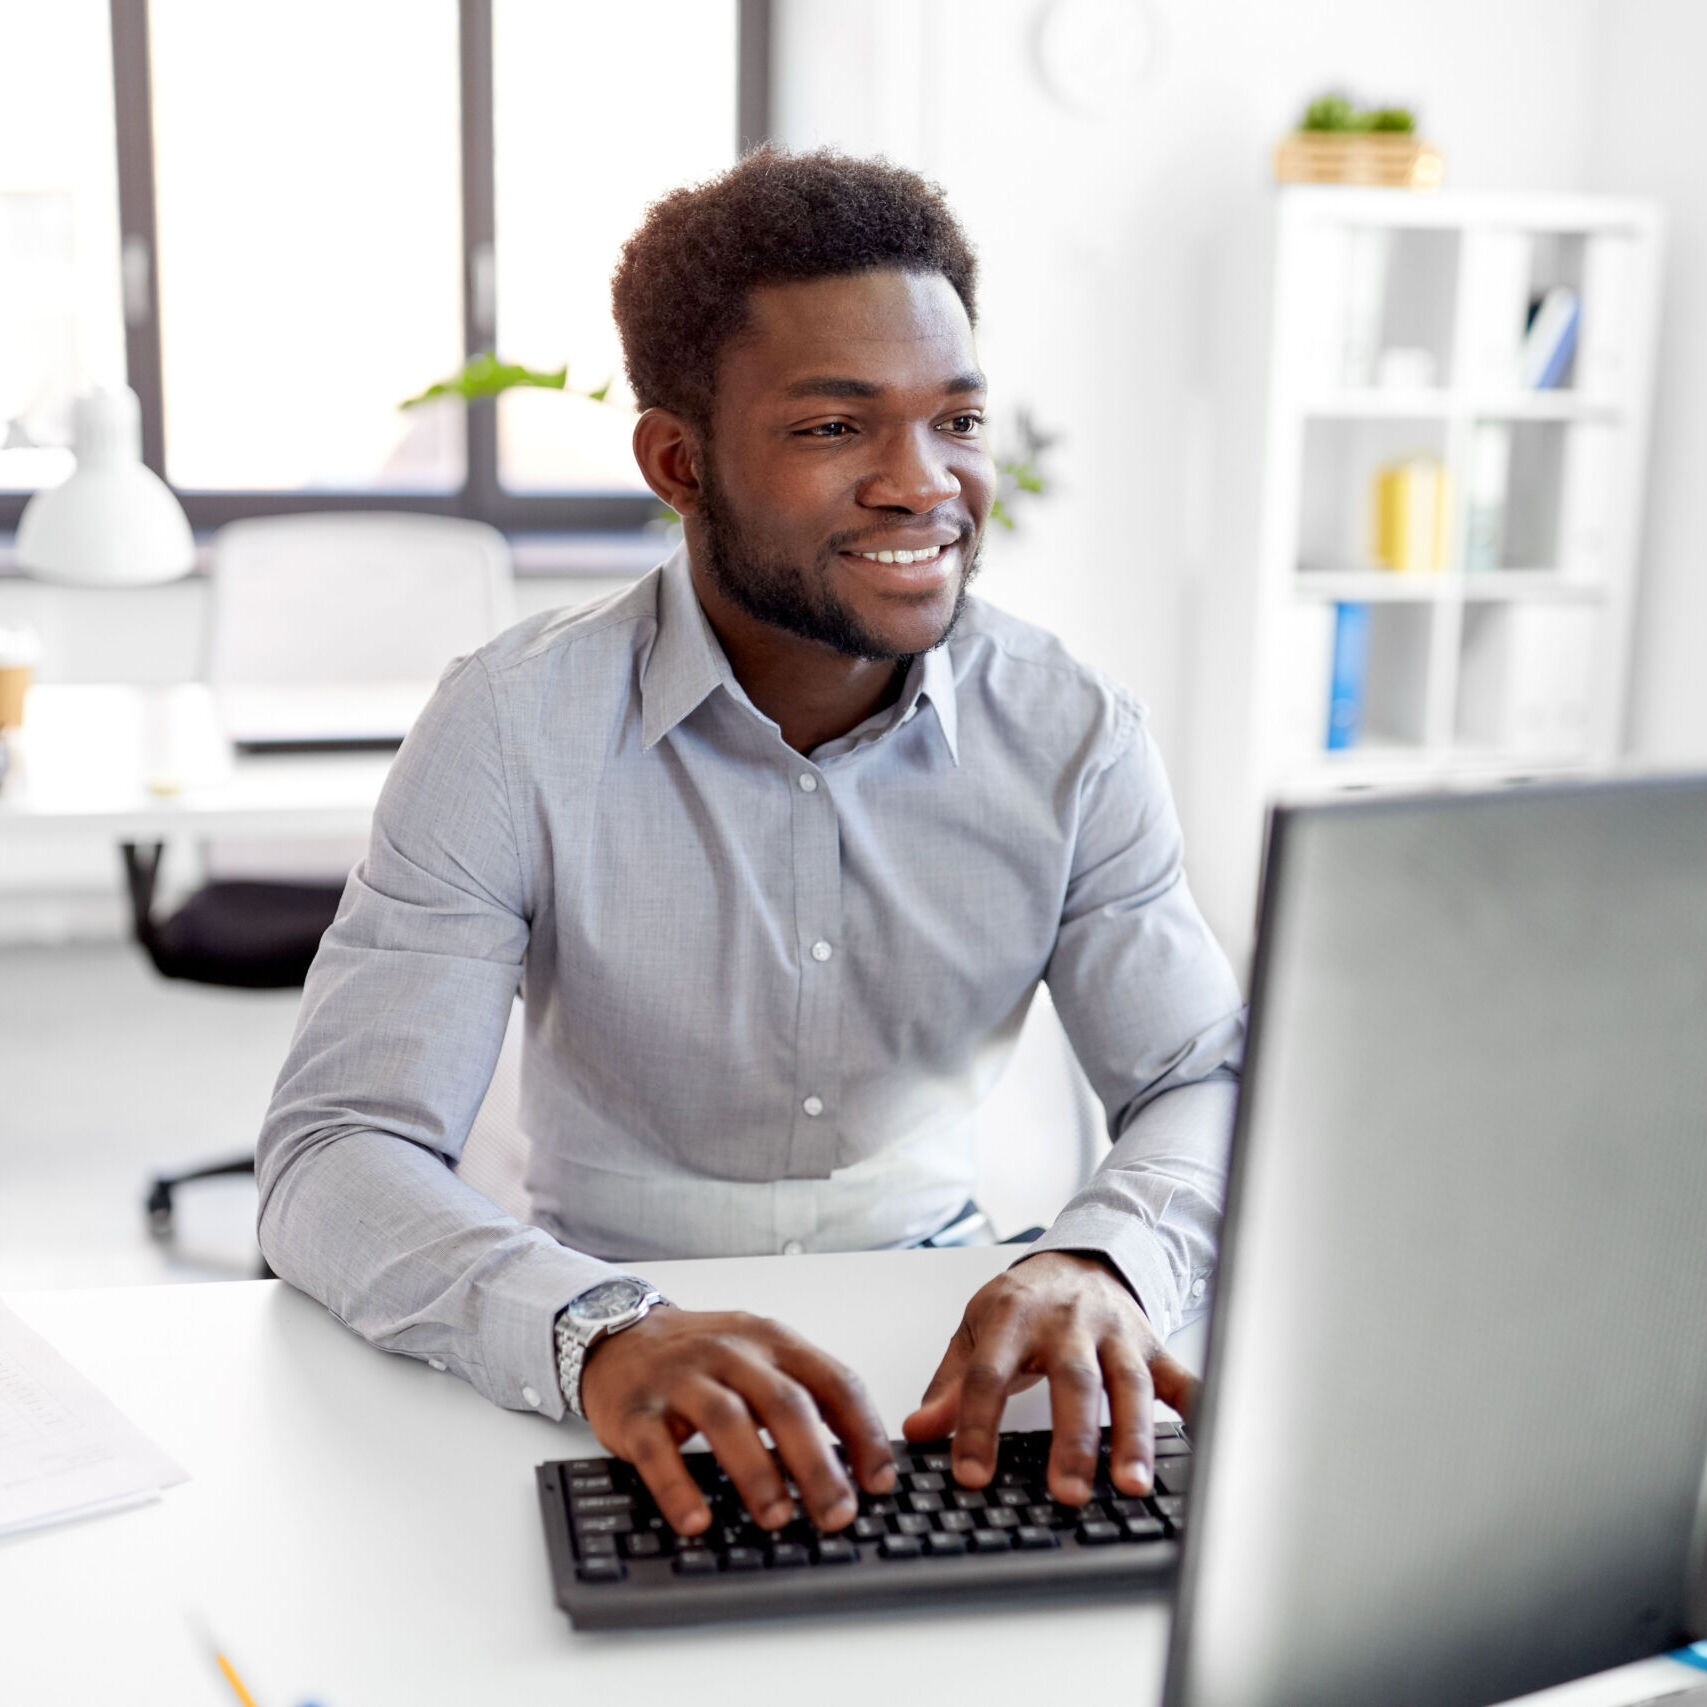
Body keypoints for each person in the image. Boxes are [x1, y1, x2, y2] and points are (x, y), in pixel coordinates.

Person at [256, 149, 1244, 1545]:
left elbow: (1203, 1076)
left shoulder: (1074, 733)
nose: (924, 486)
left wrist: (1107, 1262)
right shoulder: (511, 727)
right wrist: (591, 1335)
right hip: (599, 1343)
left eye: (955, 420)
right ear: (678, 462)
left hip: (942, 1354)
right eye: (837, 430)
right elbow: (336, 1150)